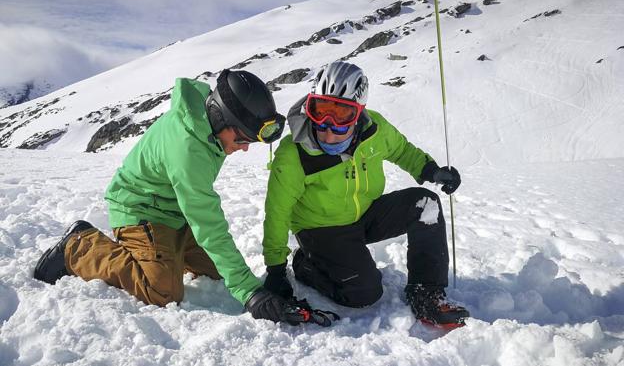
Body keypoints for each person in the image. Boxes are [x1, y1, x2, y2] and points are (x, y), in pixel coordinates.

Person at [34, 69, 311, 324]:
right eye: (241, 140)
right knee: (162, 290)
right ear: (220, 117)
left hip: (175, 212)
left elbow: (199, 213)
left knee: (218, 275)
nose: (244, 149)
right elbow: (208, 223)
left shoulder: (210, 127)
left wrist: (243, 283)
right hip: (139, 209)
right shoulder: (188, 147)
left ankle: (170, 250)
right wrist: (250, 292)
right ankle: (80, 246)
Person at [262, 61, 470, 327]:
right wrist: (276, 269)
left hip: (365, 214)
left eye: (342, 115)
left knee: (425, 203)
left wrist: (431, 171)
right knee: (364, 294)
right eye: (321, 111)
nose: (328, 127)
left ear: (359, 113)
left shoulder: (376, 130)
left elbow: (402, 151)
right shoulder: (293, 154)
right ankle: (306, 265)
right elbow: (277, 213)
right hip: (321, 228)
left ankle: (426, 292)